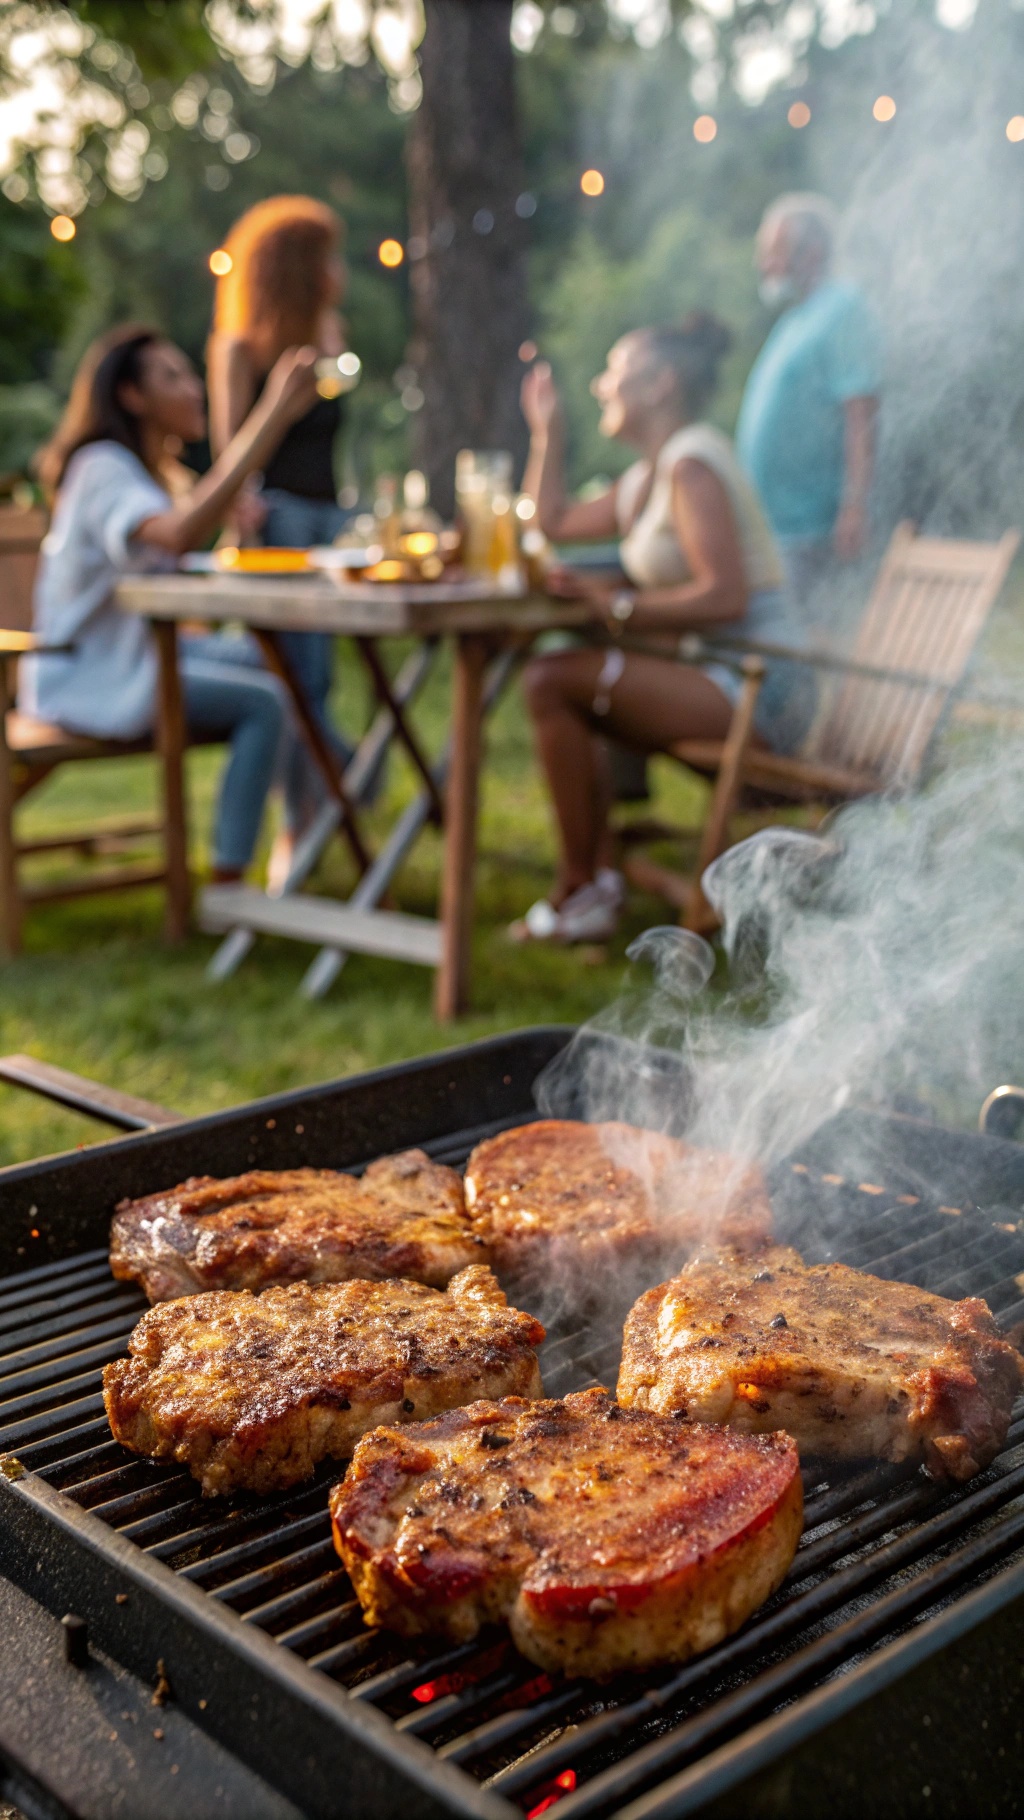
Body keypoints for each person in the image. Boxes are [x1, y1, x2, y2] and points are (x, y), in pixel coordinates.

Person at [516, 314, 815, 946]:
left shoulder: (691, 465)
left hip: (766, 693)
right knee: (562, 674)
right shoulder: (650, 472)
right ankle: (593, 882)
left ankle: (583, 889)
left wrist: (617, 607)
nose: (601, 386)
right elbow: (553, 523)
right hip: (729, 677)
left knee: (552, 679)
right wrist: (549, 433)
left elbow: (725, 596)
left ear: (662, 385)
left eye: (614, 372)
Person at [24, 324, 318, 881]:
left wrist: (234, 525)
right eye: (172, 376)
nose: (193, 389)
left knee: (276, 659)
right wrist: (271, 414)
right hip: (90, 676)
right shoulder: (102, 467)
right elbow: (176, 536)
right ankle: (232, 877)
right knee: (266, 701)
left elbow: (185, 575)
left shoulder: (146, 475)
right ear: (131, 397)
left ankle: (317, 808)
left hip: (138, 659)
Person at [206, 195, 353, 877]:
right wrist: (279, 403)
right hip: (279, 528)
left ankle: (320, 807)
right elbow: (233, 461)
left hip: (329, 522)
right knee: (295, 677)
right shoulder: (239, 348)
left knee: (318, 679)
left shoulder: (330, 332)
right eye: (326, 258)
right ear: (296, 267)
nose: (338, 271)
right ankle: (306, 818)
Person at [736, 193, 881, 624]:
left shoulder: (843, 309)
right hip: (774, 526)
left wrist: (854, 505)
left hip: (809, 527)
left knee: (802, 647)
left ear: (812, 252)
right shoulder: (797, 317)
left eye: (774, 252)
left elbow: (861, 413)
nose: (764, 264)